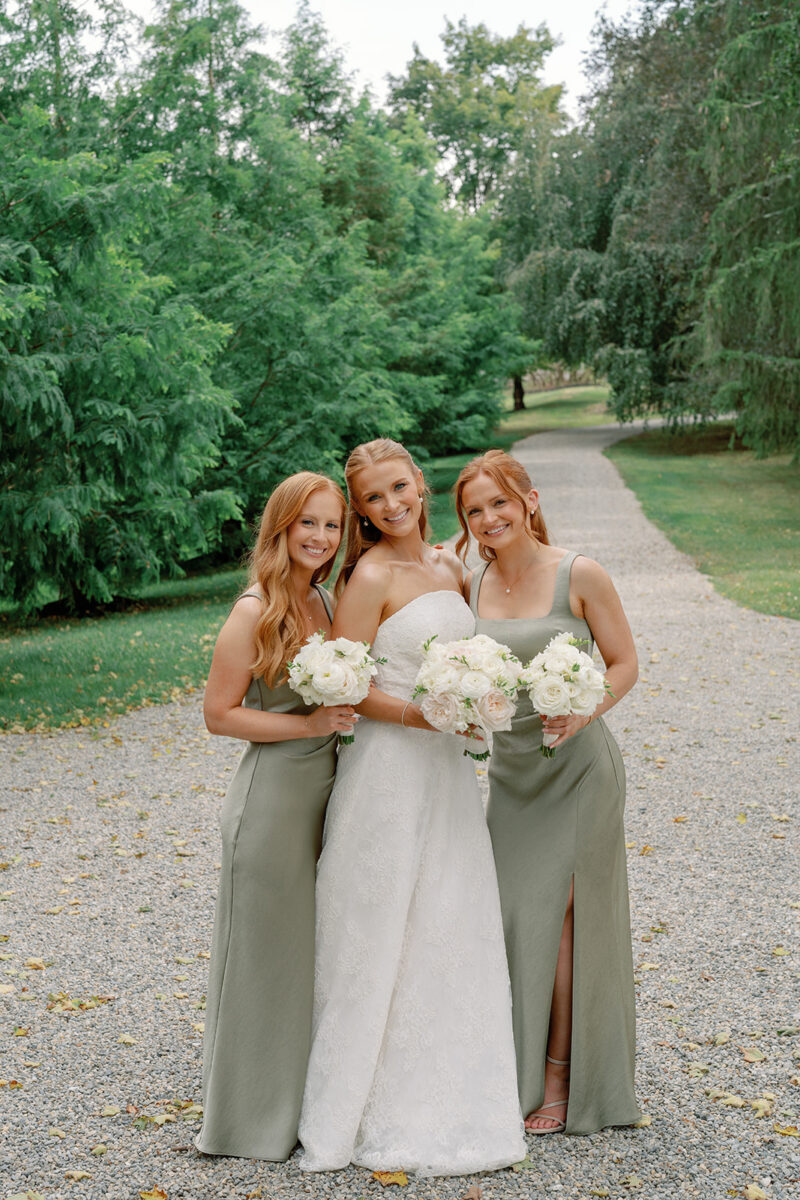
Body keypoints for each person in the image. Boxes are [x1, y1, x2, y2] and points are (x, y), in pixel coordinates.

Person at [297, 438, 526, 1177]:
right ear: (360, 510)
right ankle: (358, 1109)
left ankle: (457, 1091)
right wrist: (419, 717)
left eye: (398, 488)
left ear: (419, 483)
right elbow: (347, 684)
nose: (390, 505)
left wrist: (472, 700)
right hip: (391, 771)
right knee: (381, 927)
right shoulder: (367, 577)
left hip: (449, 772)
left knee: (449, 921)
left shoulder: (452, 565)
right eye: (372, 499)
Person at [455, 449, 641, 1136]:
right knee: (515, 918)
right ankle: (511, 1064)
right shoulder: (469, 587)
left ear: (528, 500)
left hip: (579, 770)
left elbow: (624, 663)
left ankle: (560, 1074)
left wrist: (587, 706)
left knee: (562, 923)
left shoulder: (578, 574)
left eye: (499, 503)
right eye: (474, 510)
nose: (488, 518)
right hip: (512, 777)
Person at [195, 472, 355, 1160]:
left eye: (331, 525)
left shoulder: (323, 598)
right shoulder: (253, 609)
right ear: (281, 528)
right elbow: (218, 714)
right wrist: (311, 724)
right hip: (272, 804)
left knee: (307, 960)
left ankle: (296, 1105)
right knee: (264, 961)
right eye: (308, 525)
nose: (321, 537)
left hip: (325, 796)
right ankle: (243, 1123)